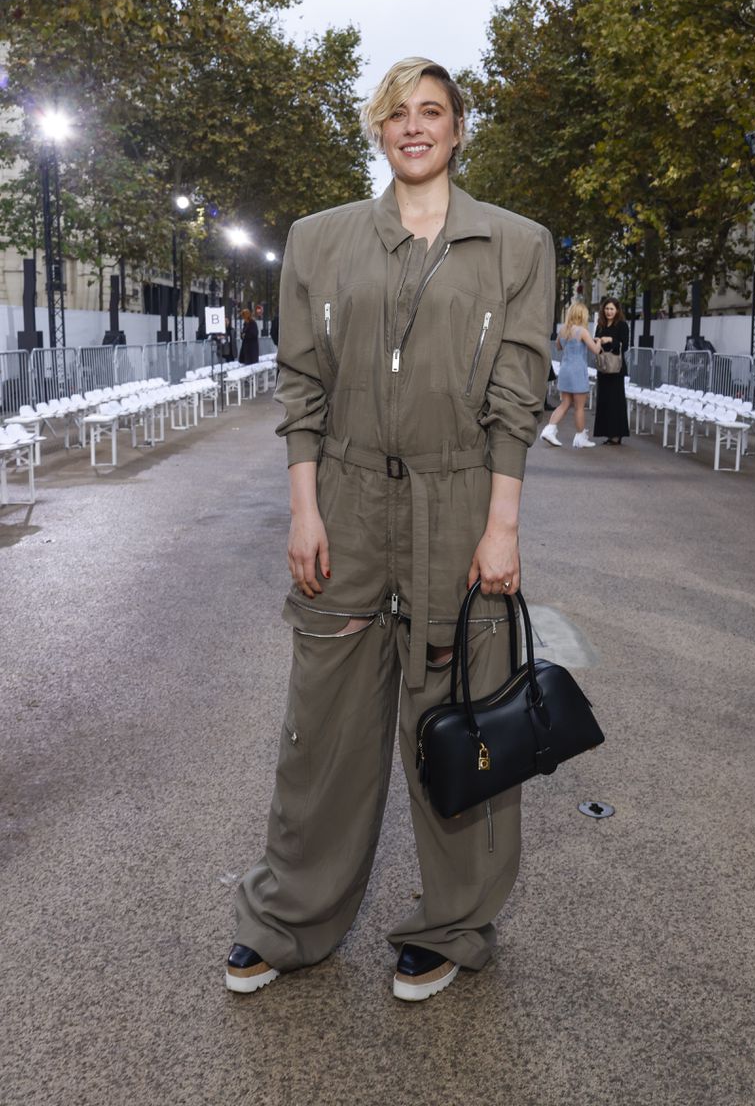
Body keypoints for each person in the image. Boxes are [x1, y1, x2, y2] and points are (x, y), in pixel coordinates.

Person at [226, 57, 554, 1003]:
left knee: (459, 717)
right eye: (397, 113)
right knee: (323, 723)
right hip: (348, 498)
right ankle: (288, 918)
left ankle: (451, 923)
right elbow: (301, 389)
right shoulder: (319, 241)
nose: (415, 127)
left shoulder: (519, 243)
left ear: (458, 128)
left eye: (433, 112)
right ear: (379, 130)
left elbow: (515, 400)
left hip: (459, 508)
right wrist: (305, 510)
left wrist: (503, 528)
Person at [540, 301, 602, 448]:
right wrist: (598, 341)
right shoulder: (582, 331)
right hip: (578, 371)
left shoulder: (563, 331)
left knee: (565, 403)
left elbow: (558, 346)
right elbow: (595, 350)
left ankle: (549, 429)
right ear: (582, 315)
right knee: (579, 407)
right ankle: (580, 437)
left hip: (565, 369)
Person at [593, 296, 630, 445]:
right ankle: (608, 433)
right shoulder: (600, 325)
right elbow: (596, 343)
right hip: (603, 367)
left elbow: (625, 346)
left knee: (616, 401)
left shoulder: (622, 325)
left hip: (616, 369)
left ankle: (617, 434)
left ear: (617, 310)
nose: (609, 312)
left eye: (612, 309)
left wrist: (611, 341)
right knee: (604, 401)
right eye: (607, 309)